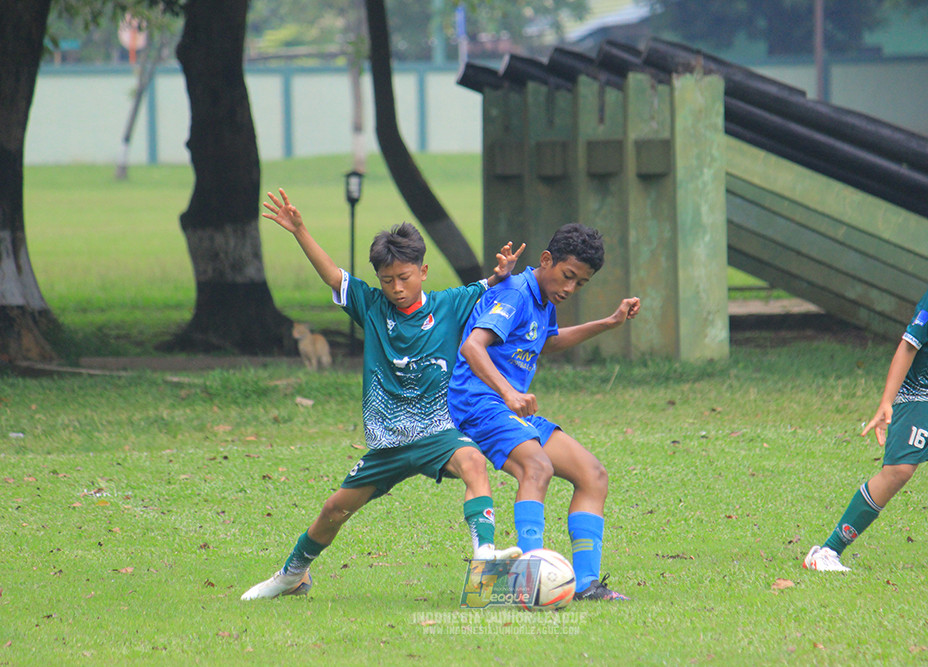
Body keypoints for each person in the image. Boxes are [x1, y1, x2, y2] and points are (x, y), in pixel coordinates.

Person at [242, 188, 524, 600]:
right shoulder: (371, 306)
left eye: (404, 278)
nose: (395, 287)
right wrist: (300, 230)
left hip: (436, 434)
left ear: (423, 271)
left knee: (473, 463)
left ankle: (484, 559)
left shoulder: (450, 304)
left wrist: (503, 274)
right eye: (387, 280)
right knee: (332, 511)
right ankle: (292, 575)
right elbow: (333, 274)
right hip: (386, 444)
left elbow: (492, 284)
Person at [804, 196, 928, 572]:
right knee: (898, 471)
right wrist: (886, 403)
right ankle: (826, 552)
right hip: (922, 391)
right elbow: (909, 344)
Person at [447, 223, 641, 601]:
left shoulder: (544, 298)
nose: (569, 289)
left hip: (507, 407)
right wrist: (508, 392)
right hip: (478, 400)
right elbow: (472, 347)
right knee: (537, 467)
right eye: (567, 276)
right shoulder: (517, 293)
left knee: (593, 475)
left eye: (580, 284)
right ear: (546, 260)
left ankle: (585, 585)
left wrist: (609, 322)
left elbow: (545, 342)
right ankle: (529, 581)